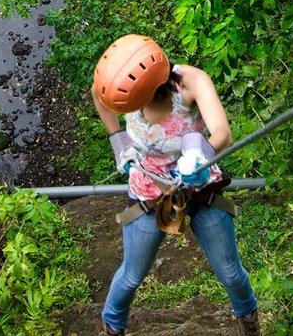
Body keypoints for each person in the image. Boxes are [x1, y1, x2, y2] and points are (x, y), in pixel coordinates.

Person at [91, 34, 260, 336]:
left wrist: (200, 156)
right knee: (132, 275)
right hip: (149, 189)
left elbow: (222, 132)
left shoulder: (190, 83)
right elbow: (98, 94)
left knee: (230, 273)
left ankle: (248, 320)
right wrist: (119, 141)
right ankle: (112, 326)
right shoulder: (121, 88)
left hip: (199, 185)